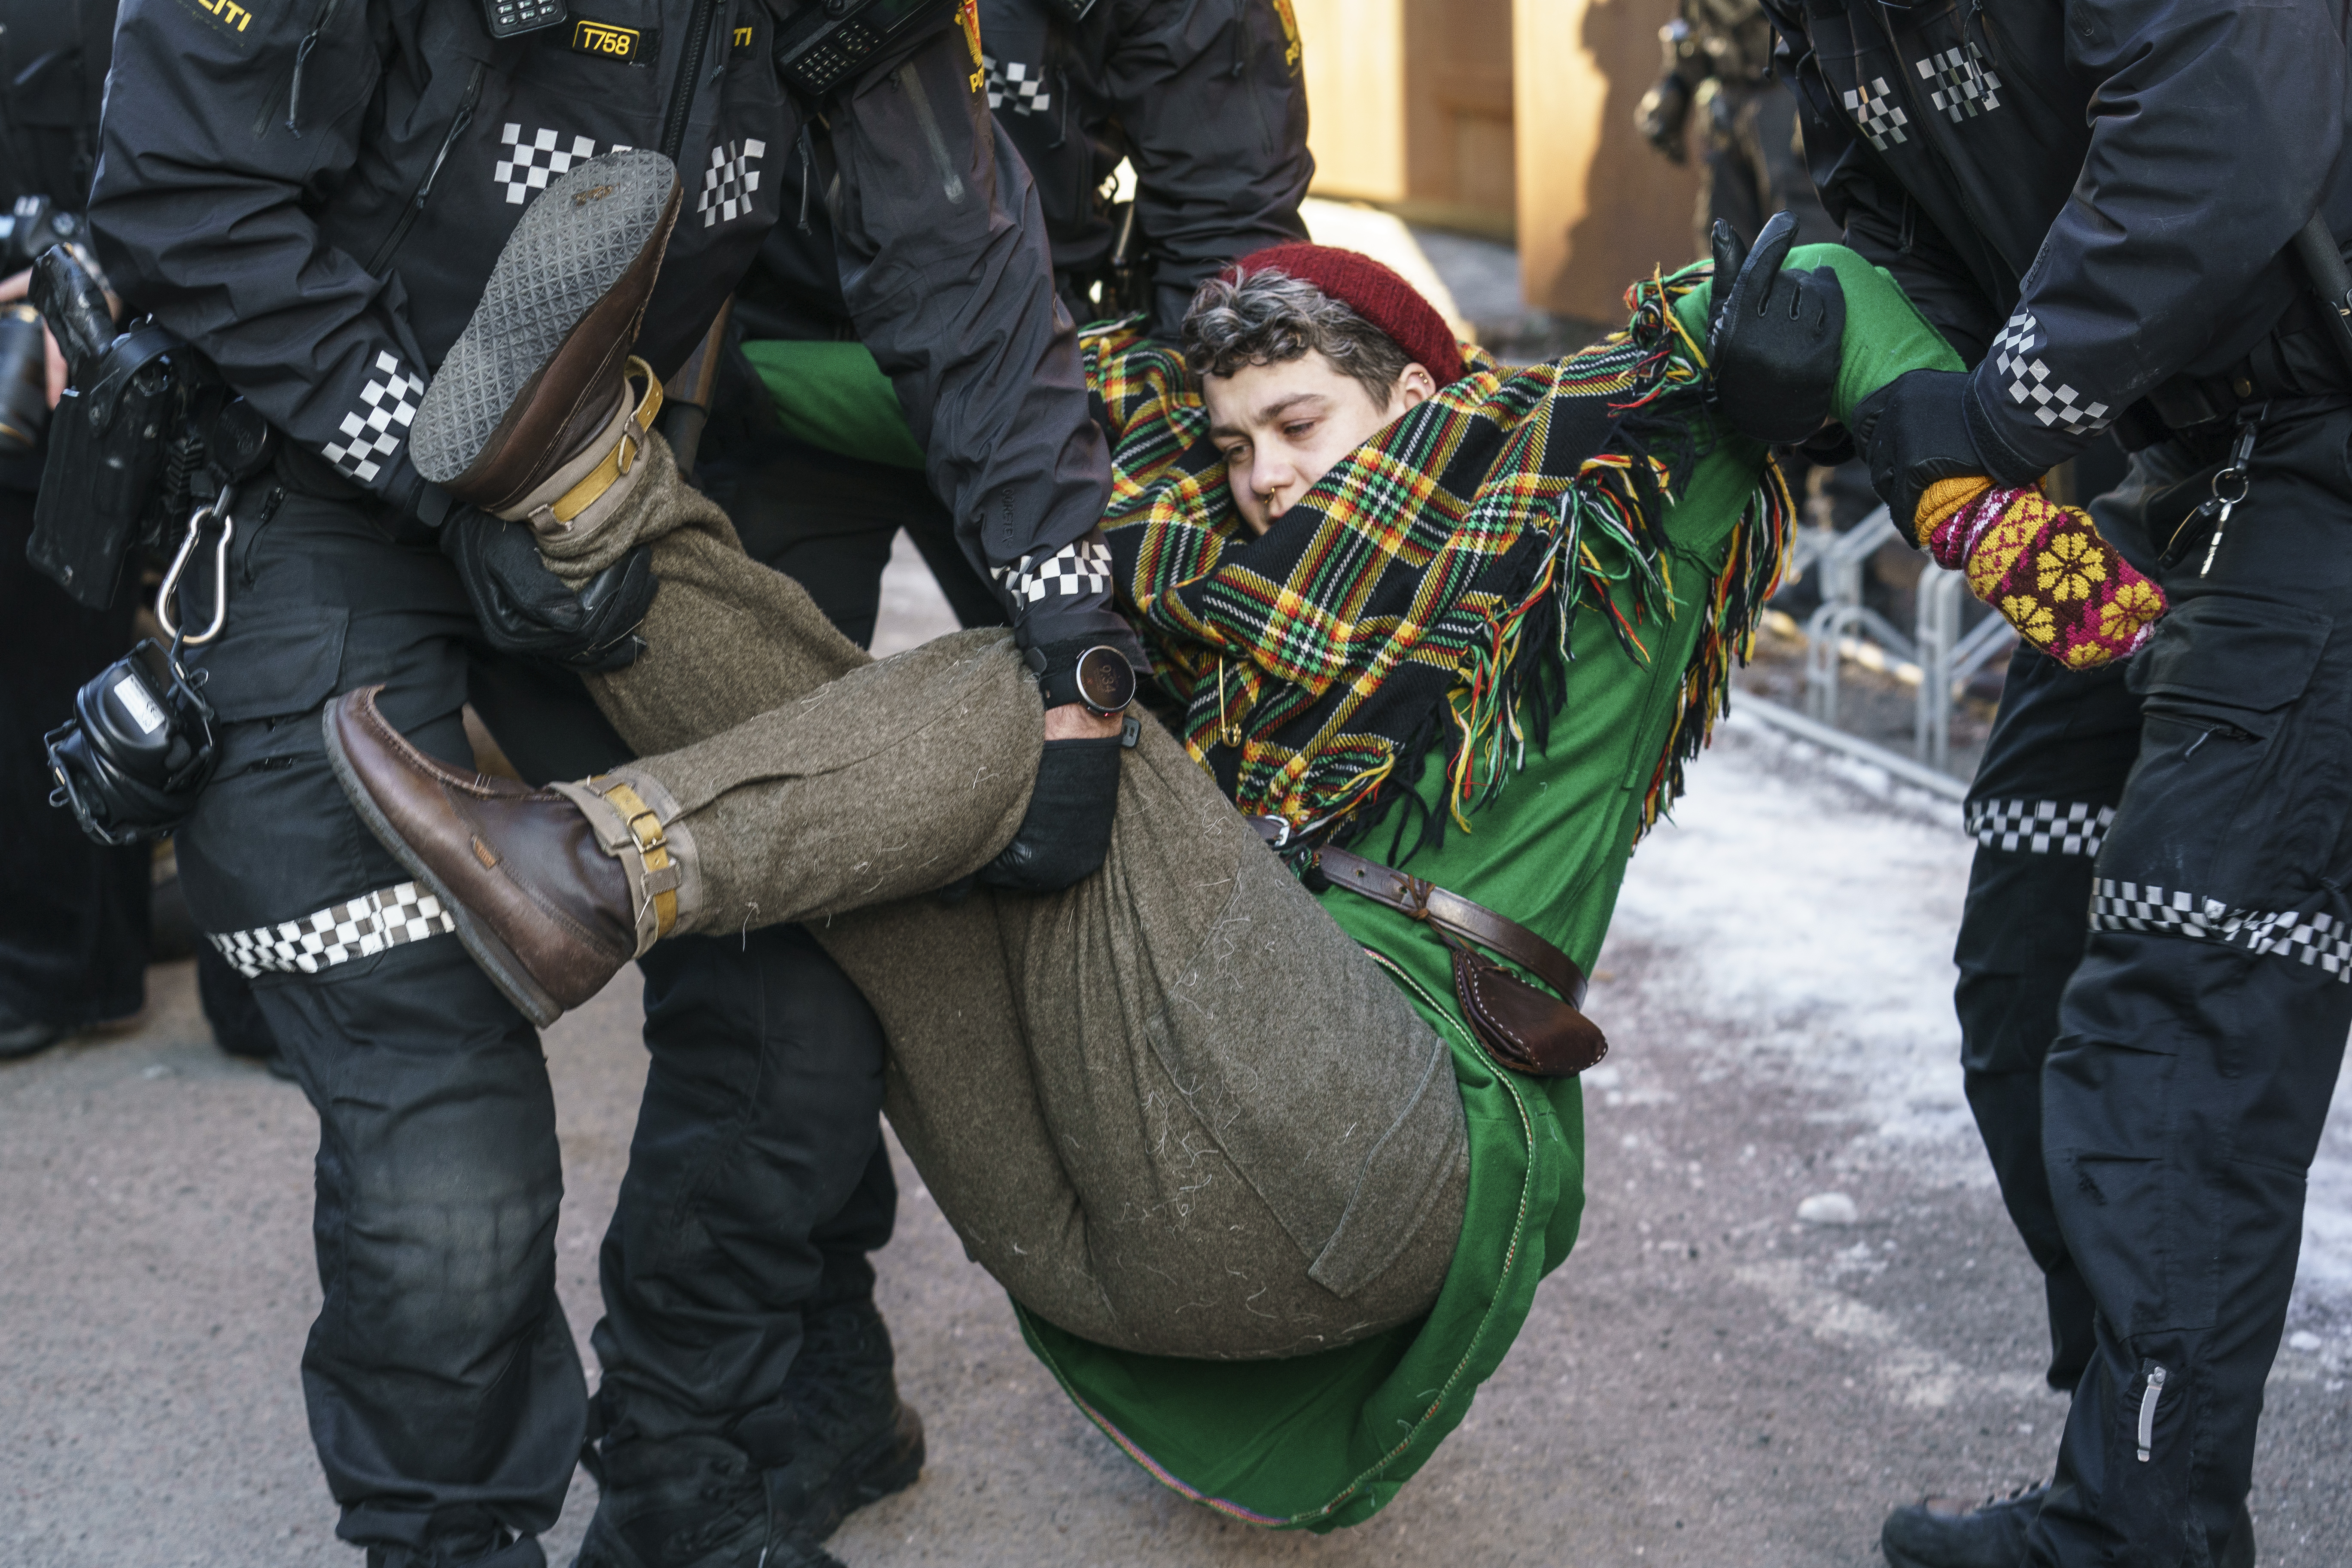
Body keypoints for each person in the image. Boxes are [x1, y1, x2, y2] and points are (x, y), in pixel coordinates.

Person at [322, 159, 2133, 1525]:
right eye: (1230, 437)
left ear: (1415, 393)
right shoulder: (1203, 548)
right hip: (1117, 1229)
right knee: (917, 839)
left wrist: (1951, 485)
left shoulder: (1596, 505)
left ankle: (601, 863)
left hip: (1384, 1130)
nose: (1258, 473)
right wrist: (699, 345)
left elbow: (1808, 268)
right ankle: (588, 494)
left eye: (1298, 423)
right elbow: (950, 387)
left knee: (1038, 683)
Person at [81, 2, 1138, 1564]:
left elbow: (959, 261)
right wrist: (452, 468)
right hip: (305, 495)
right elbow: (181, 190)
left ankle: (679, 1471)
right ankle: (449, 1540)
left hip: (594, 501)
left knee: (813, 993)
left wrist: (1072, 637)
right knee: (444, 1141)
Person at [1760, 2, 2352, 1564]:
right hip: (2170, 460)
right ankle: (2123, 1464)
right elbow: (1902, 258)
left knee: (2179, 997)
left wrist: (2002, 412)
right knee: (2028, 962)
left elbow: (2224, 144)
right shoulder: (1816, 24)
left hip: (2325, 444)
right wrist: (1848, 387)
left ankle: (2136, 1530)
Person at [701, 0, 1313, 649]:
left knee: (1104, 686)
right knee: (764, 716)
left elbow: (1226, 224)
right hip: (779, 382)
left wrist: (1179, 448)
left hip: (1041, 392)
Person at [0, 0, 149, 1064]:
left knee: (67, 666)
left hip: (123, 355)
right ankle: (80, 967)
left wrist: (86, 261)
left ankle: (61, 966)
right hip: (49, 352)